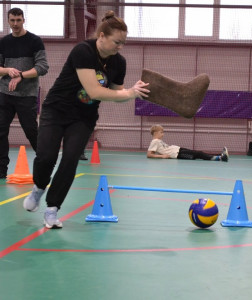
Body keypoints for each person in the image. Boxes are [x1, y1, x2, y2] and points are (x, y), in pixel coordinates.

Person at [23, 10, 150, 228]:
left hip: (83, 117)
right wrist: (128, 93)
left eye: (123, 43)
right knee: (46, 157)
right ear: (101, 36)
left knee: (71, 159)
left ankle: (52, 208)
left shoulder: (119, 62)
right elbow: (94, 91)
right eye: (116, 42)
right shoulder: (83, 51)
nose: (120, 47)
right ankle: (39, 188)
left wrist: (132, 92)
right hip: (56, 110)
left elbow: (117, 94)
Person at [0, 7, 49, 179]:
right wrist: (7, 70)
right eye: (12, 20)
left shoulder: (35, 41)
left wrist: (21, 75)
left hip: (27, 95)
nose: (15, 24)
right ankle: (1, 170)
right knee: (0, 130)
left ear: (23, 20)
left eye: (18, 20)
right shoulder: (3, 42)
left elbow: (43, 67)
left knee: (31, 131)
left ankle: (46, 164)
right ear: (8, 21)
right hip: (5, 94)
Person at [147, 124, 228, 162]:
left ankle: (220, 155)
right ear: (155, 133)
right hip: (177, 154)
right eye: (161, 132)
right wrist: (162, 156)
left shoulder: (158, 141)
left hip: (178, 149)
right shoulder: (154, 142)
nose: (163, 134)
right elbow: (149, 154)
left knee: (196, 152)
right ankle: (219, 158)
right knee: (198, 154)